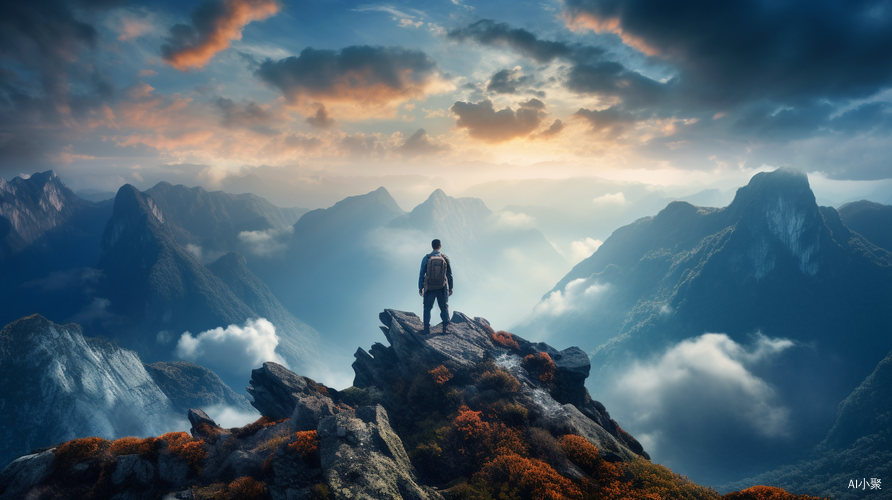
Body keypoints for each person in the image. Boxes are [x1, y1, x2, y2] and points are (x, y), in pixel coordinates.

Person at [418, 239, 453, 334]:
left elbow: (422, 273)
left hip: (429, 286)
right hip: (442, 286)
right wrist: (451, 287)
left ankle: (426, 329)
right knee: (444, 306)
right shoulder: (445, 257)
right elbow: (449, 274)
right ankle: (446, 328)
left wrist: (420, 287)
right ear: (440, 246)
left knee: (427, 307)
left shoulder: (427, 258)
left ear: (432, 246)